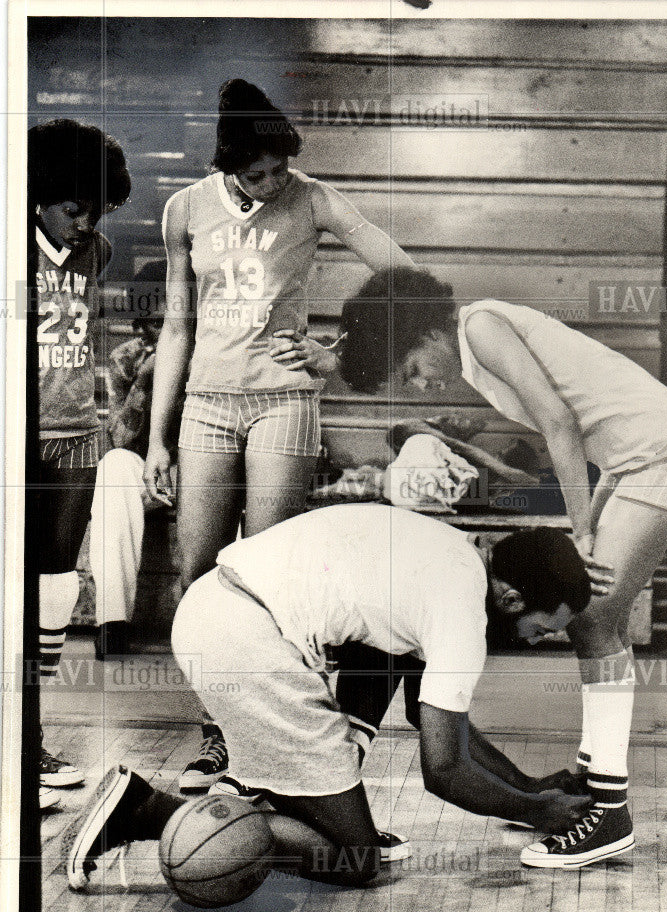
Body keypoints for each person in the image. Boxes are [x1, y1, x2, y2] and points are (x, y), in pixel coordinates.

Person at [338, 267, 667, 868]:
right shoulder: (473, 340)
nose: (424, 387)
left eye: (412, 371)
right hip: (635, 453)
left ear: (426, 336)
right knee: (596, 625)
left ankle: (608, 813)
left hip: (659, 449)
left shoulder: (481, 327)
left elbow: (560, 421)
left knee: (592, 622)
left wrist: (580, 529)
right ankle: (595, 791)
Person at [65, 504, 598, 891]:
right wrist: (538, 811)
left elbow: (426, 714)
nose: (538, 639)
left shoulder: (451, 549)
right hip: (250, 642)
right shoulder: (462, 613)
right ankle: (145, 812)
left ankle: (279, 795)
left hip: (216, 608)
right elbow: (444, 770)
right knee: (356, 858)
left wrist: (527, 788)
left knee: (382, 668)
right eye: (541, 628)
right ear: (511, 598)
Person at [142, 79, 416, 791]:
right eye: (254, 173)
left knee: (268, 580)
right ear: (226, 163)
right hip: (205, 402)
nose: (270, 184)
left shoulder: (313, 197)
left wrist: (339, 350)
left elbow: (402, 272)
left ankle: (275, 738)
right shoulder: (184, 210)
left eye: (278, 171)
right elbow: (177, 328)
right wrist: (156, 439)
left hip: (283, 404)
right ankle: (218, 732)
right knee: (198, 573)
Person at [31, 119, 131, 808]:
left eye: (95, 211)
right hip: (18, 434)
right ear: (37, 196)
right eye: (73, 209)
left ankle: (29, 733)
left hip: (75, 435)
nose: (85, 223)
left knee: (57, 587)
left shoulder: (98, 252)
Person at [90, 260, 178, 660]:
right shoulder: (128, 358)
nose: (143, 333)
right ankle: (112, 621)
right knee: (111, 470)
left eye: (154, 323)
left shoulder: (211, 353)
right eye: (136, 323)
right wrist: (145, 382)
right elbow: (118, 440)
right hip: (148, 471)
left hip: (205, 471)